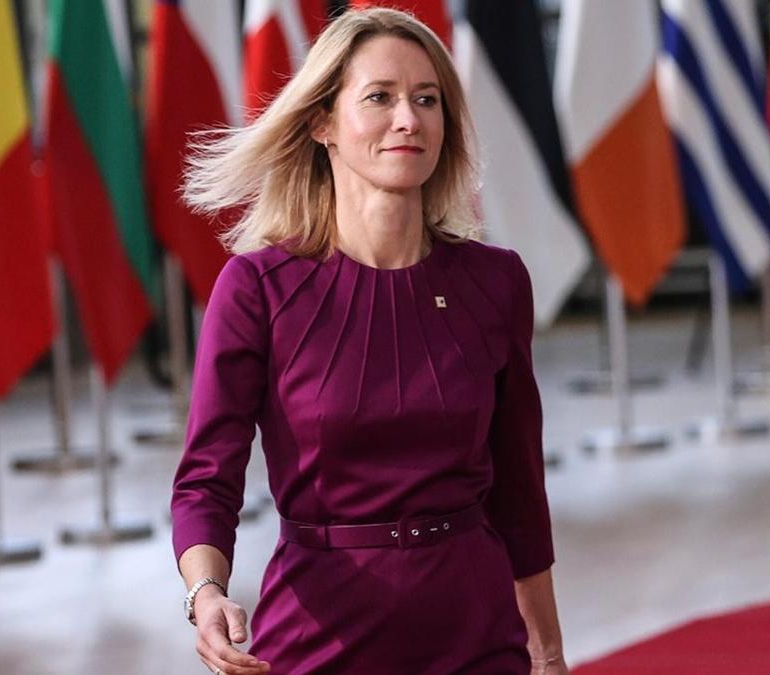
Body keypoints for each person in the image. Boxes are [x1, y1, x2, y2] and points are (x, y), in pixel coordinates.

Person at [171, 8, 566, 674]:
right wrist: (205, 593)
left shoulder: (496, 282)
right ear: (322, 122)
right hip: (320, 634)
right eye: (380, 97)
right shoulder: (257, 289)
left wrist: (549, 654)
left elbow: (520, 490)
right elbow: (207, 478)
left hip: (477, 632)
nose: (408, 119)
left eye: (427, 99)